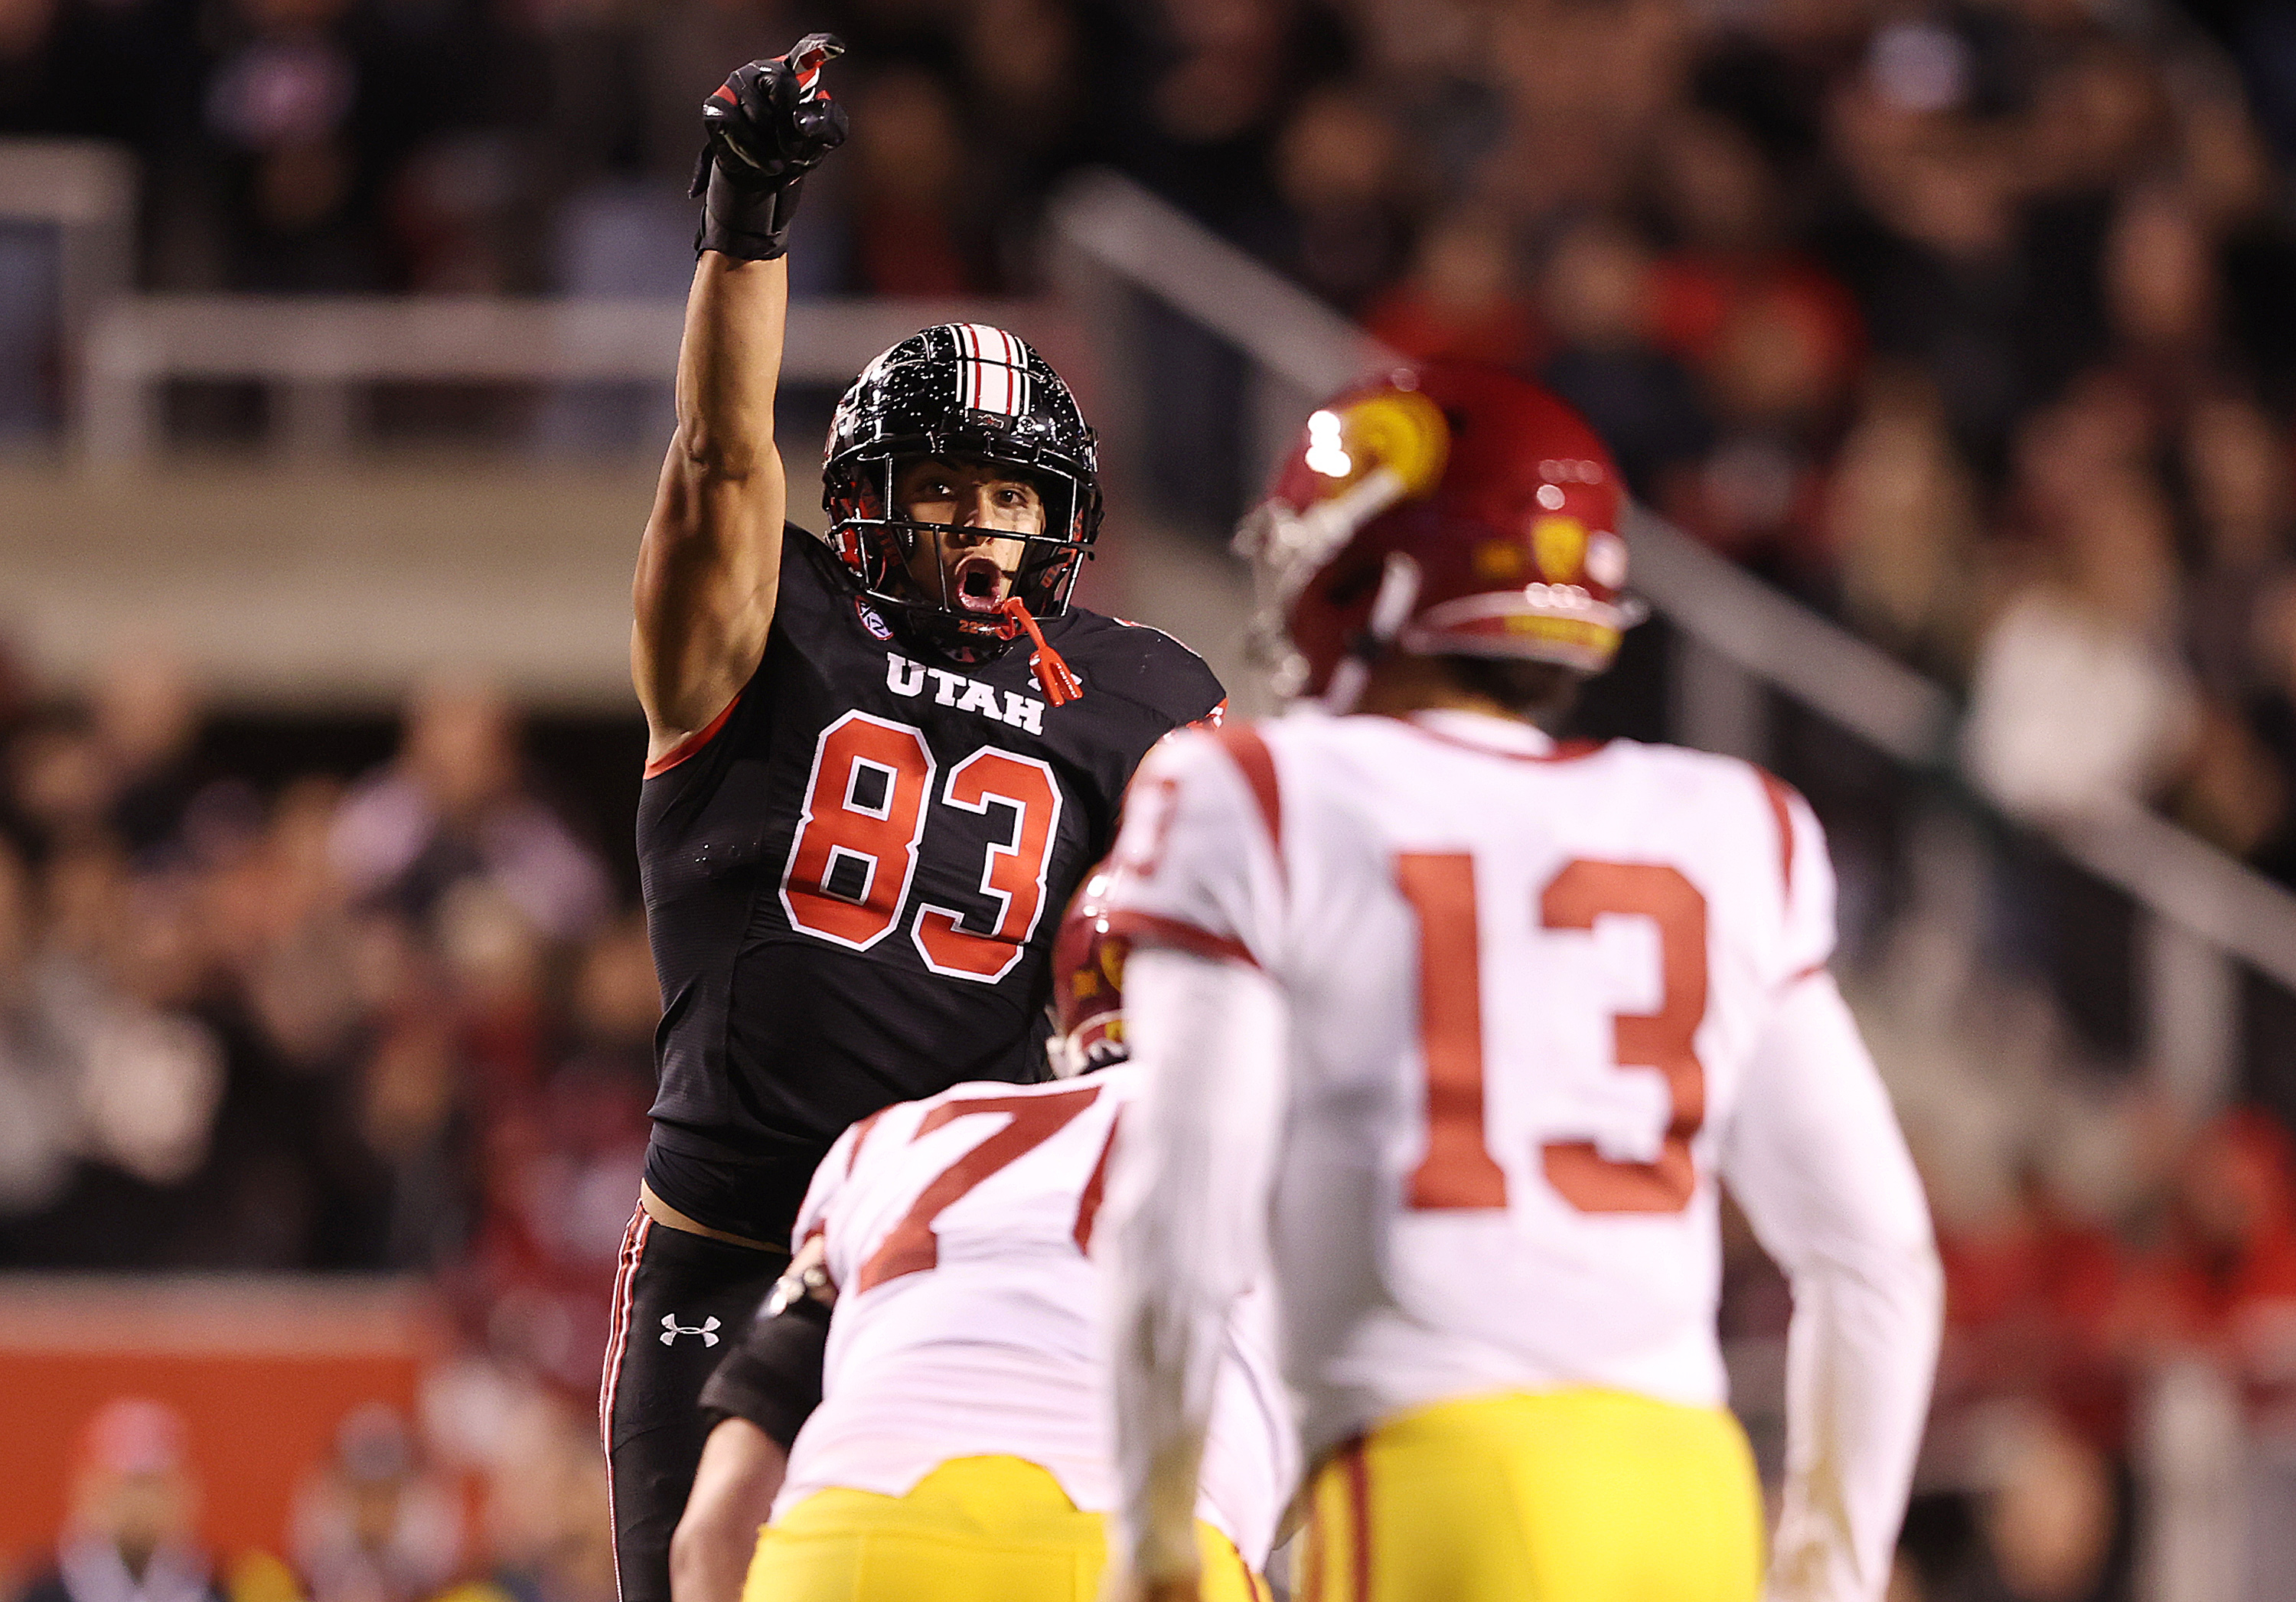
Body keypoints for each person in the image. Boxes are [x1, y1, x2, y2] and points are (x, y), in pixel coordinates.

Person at [1095, 365, 1943, 1602]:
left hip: (1439, 1470)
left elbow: (1183, 1201)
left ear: (1366, 573)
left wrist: (1156, 1529)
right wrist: (1830, 1567)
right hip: (1687, 1490)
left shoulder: (1258, 792)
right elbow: (1876, 1256)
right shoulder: (1728, 820)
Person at [605, 37, 1226, 1602]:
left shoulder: (1142, 694)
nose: (978, 523)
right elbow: (713, 456)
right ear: (870, 488)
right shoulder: (773, 624)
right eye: (943, 483)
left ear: (1066, 523)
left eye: (1011, 495)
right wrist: (744, 233)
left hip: (961, 1255)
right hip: (741, 1230)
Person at [666, 888, 1292, 1602]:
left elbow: (712, 1528)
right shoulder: (1312, 1147)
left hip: (848, 1538)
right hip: (1131, 1551)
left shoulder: (895, 1139)